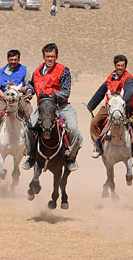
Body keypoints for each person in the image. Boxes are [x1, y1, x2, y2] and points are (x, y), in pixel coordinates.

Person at [23, 43, 83, 171]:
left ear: (57, 56)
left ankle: (69, 157)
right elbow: (31, 86)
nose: (50, 59)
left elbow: (66, 91)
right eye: (47, 56)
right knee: (28, 129)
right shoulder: (37, 72)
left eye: (52, 56)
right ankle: (31, 156)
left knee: (73, 129)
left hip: (61, 106)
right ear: (43, 57)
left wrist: (53, 97)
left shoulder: (63, 70)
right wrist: (28, 92)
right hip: (43, 108)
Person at [87, 55, 133, 160]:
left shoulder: (129, 79)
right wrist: (91, 105)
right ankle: (98, 146)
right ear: (115, 66)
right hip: (110, 107)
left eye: (122, 66)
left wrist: (123, 102)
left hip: (126, 106)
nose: (120, 68)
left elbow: (129, 91)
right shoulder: (110, 78)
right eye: (118, 65)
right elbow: (101, 91)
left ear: (125, 66)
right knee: (94, 122)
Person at [0, 50, 33, 156]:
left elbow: (29, 86)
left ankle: (30, 143)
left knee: (31, 115)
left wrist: (19, 89)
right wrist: (4, 96)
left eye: (15, 60)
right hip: (4, 99)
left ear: (19, 59)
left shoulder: (25, 70)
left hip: (20, 99)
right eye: (11, 60)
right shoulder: (1, 71)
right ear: (7, 59)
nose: (13, 62)